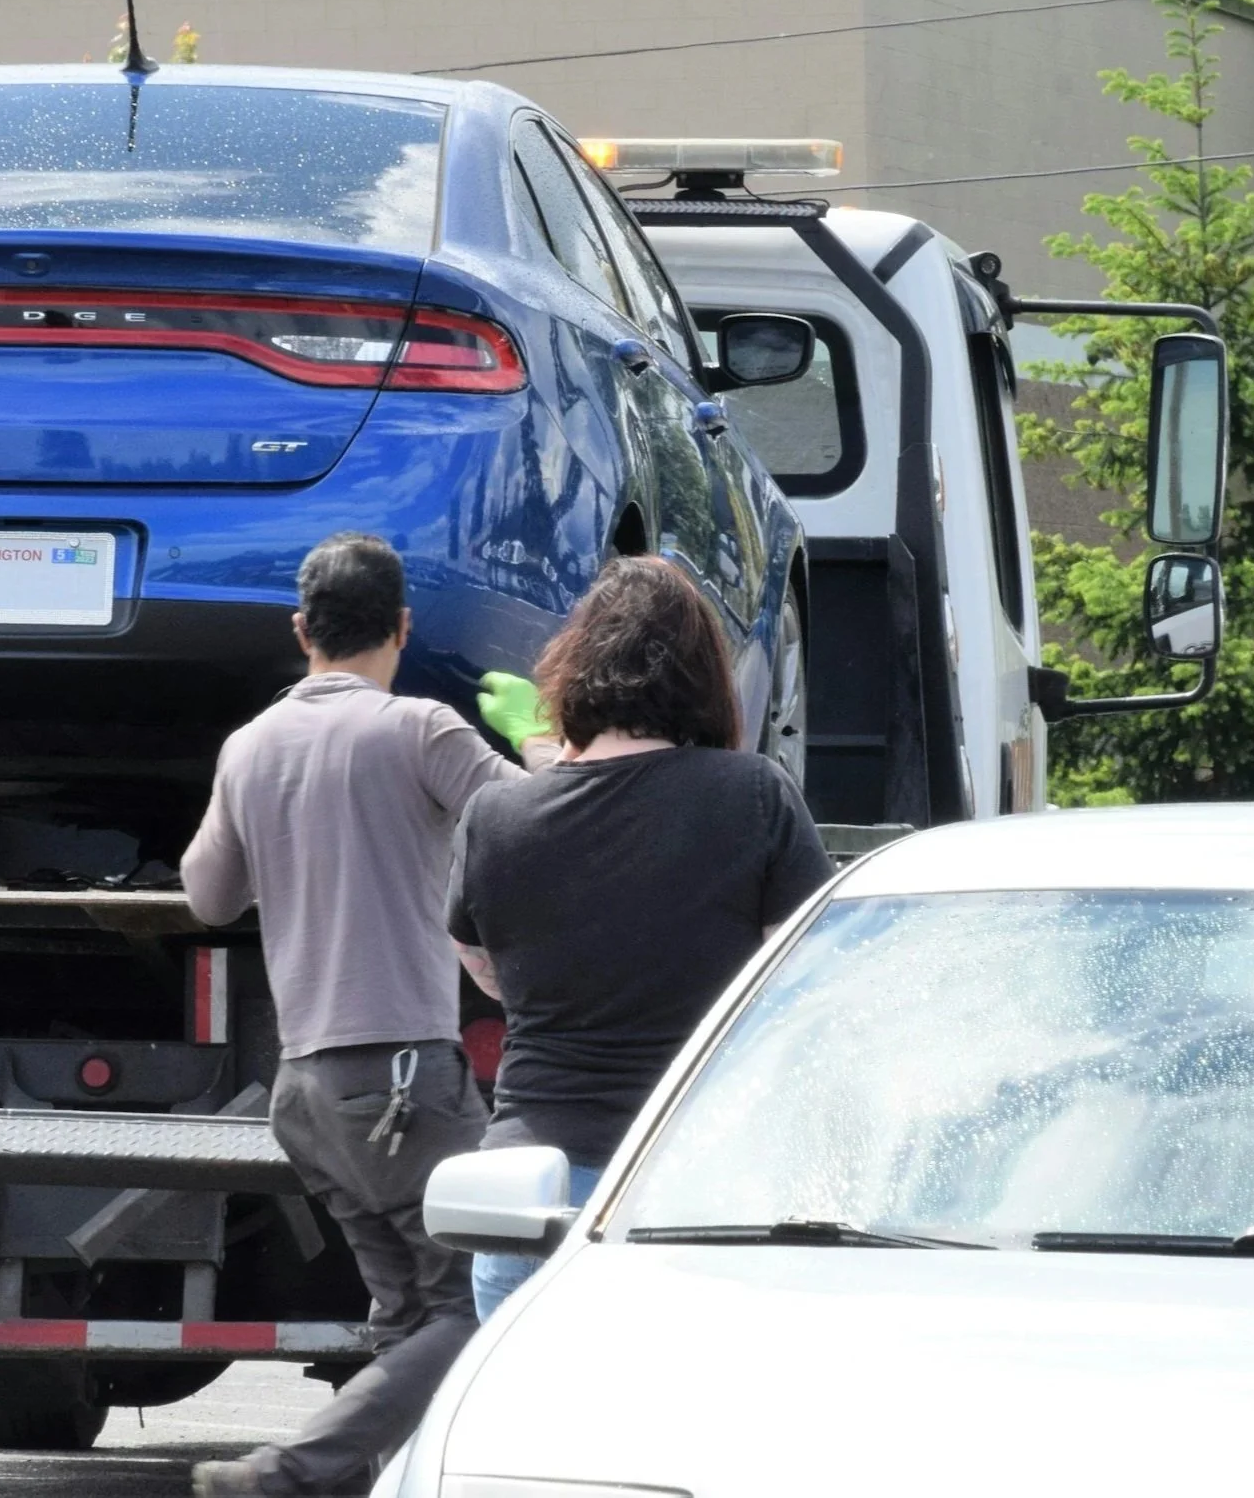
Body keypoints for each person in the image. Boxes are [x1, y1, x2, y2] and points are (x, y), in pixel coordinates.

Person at [181, 532, 552, 1497]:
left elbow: (209, 896)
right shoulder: (419, 729)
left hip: (303, 1090)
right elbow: (543, 827)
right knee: (478, 1303)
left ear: (302, 628)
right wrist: (541, 734)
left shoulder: (249, 745)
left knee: (405, 1312)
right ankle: (285, 1471)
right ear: (403, 626)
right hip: (402, 1081)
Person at [447, 554, 832, 1320]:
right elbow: (806, 971)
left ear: (573, 673)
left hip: (529, 1197)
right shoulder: (751, 795)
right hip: (698, 1190)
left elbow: (483, 967)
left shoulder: (495, 817)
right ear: (702, 679)